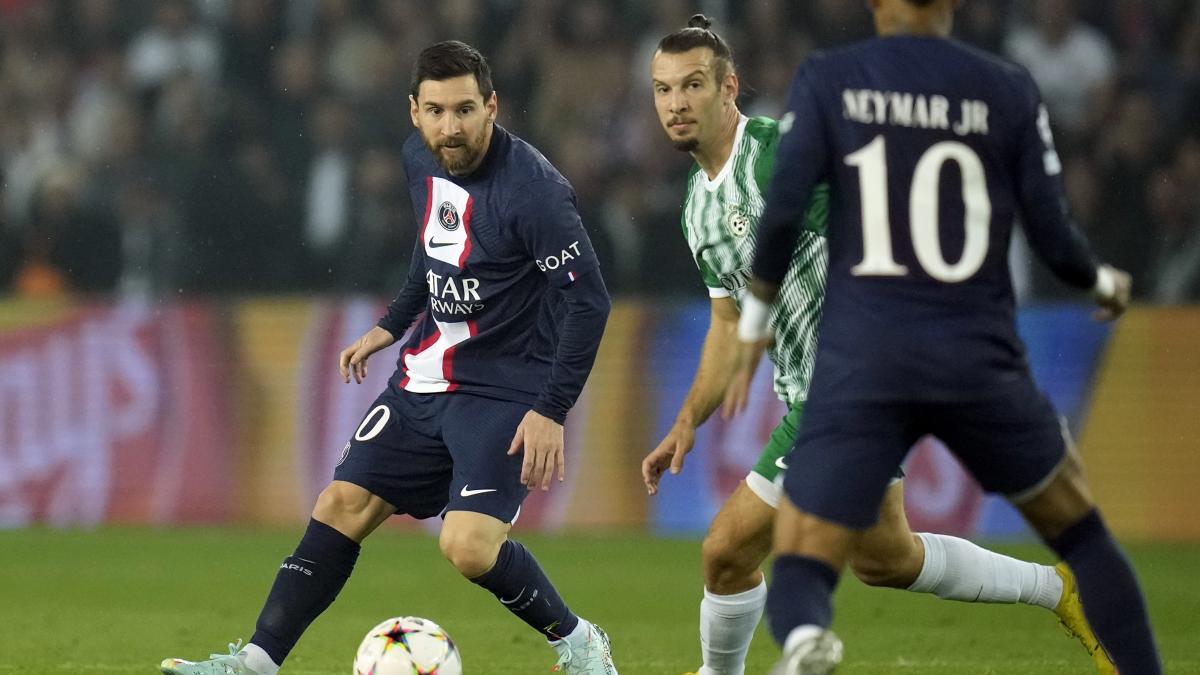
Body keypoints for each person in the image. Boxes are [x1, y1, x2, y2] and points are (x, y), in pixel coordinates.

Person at [643, 15, 1113, 675]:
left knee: (724, 550)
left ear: (729, 89)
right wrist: (688, 417)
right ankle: (1062, 589)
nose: (676, 103)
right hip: (818, 387)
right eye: (663, 90)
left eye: (692, 85)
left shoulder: (779, 158)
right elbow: (727, 323)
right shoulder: (696, 203)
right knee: (886, 558)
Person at [159, 41, 616, 675]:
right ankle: (256, 664)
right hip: (425, 375)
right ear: (413, 112)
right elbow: (431, 250)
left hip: (505, 390)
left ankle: (579, 642)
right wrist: (391, 325)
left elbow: (589, 304)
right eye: (434, 111)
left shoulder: (534, 193)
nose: (449, 128)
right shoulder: (419, 159)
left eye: (463, 110)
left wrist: (552, 410)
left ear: (492, 105)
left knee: (468, 546)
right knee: (339, 504)